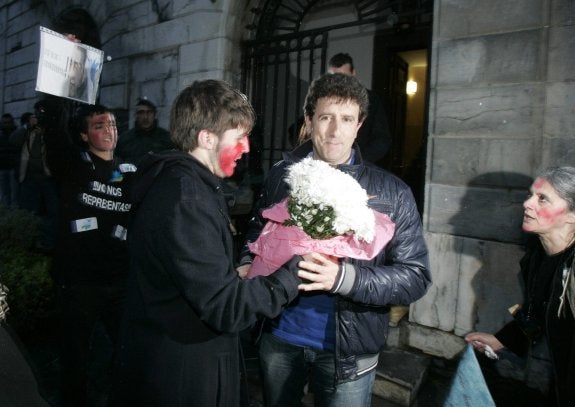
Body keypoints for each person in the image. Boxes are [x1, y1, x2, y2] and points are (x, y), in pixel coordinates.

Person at [110, 79, 312, 406]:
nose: (247, 147)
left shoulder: (190, 184)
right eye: (239, 137)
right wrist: (294, 274)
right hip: (182, 373)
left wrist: (235, 275)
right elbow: (226, 308)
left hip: (179, 354)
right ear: (206, 138)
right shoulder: (186, 199)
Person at [238, 72, 431, 406]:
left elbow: (415, 276)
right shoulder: (281, 178)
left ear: (360, 125)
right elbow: (257, 232)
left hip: (349, 350)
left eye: (346, 119)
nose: (334, 131)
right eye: (326, 117)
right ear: (310, 120)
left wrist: (345, 278)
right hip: (280, 336)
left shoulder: (392, 193)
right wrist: (246, 262)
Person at [38, 101, 136, 407]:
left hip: (119, 281)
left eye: (112, 125)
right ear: (83, 136)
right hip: (78, 281)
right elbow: (54, 134)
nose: (108, 131)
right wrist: (60, 96)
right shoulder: (73, 166)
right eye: (98, 126)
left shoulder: (129, 170)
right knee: (75, 356)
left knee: (127, 352)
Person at [466, 166, 575, 407]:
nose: (527, 203)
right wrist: (500, 340)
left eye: (542, 199)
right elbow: (537, 311)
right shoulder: (537, 257)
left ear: (572, 215)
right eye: (531, 195)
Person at [327, 52, 392, 165]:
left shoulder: (371, 100)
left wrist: (356, 161)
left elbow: (382, 140)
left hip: (359, 169)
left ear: (353, 74)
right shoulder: (324, 100)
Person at [115, 98, 174, 164]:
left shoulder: (166, 138)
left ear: (154, 115)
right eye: (141, 112)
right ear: (136, 115)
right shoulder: (125, 139)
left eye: (149, 112)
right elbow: (117, 161)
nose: (145, 117)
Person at [0, 113, 18, 207]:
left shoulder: (16, 134)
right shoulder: (1, 135)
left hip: (13, 168)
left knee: (14, 194)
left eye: (8, 123)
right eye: (4, 123)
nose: (6, 125)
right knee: (5, 194)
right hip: (3, 168)